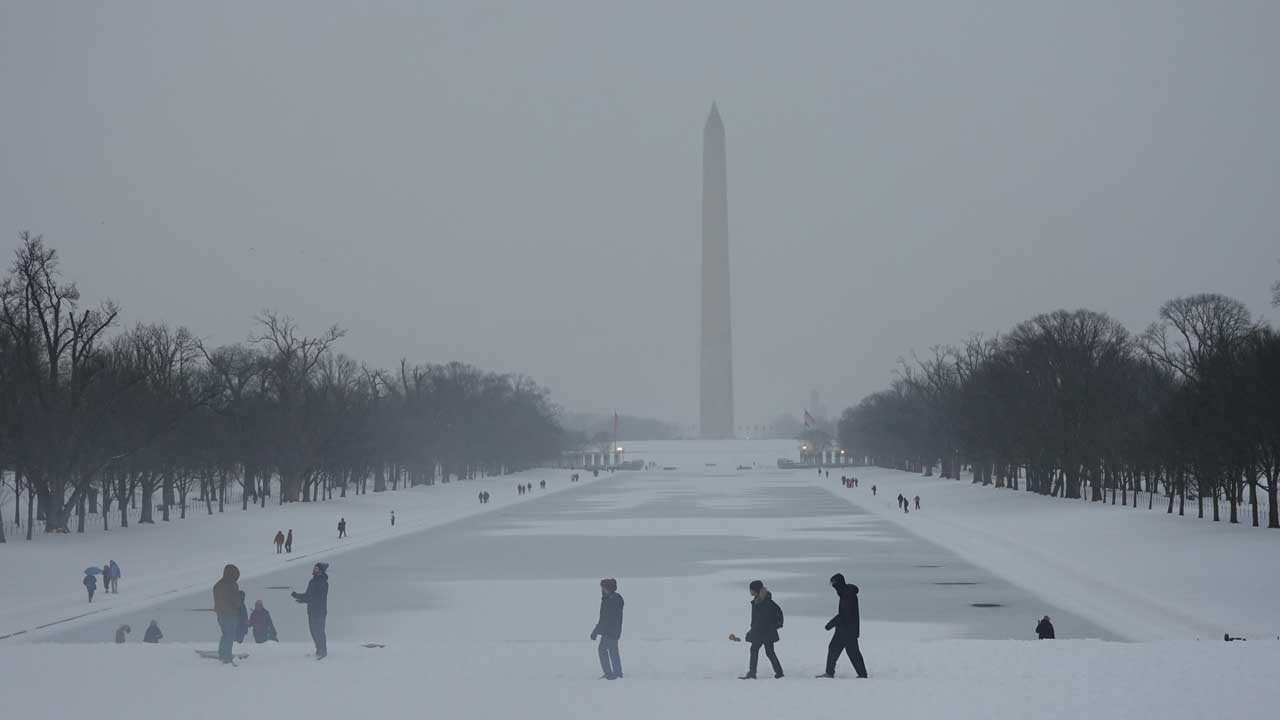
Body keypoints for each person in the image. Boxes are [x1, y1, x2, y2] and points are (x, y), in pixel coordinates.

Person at [817, 573, 868, 679]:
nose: (832, 586)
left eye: (833, 584)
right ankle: (829, 673)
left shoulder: (848, 595)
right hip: (843, 629)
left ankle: (862, 674)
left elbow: (844, 615)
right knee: (834, 648)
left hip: (848, 630)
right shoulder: (845, 593)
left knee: (853, 653)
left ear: (839, 583)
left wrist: (830, 624)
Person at [739, 580, 784, 680]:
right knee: (768, 652)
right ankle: (779, 673)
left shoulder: (763, 602)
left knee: (756, 650)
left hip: (763, 632)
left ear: (755, 590)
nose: (750, 591)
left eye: (751, 589)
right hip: (765, 631)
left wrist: (751, 632)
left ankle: (752, 673)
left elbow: (761, 620)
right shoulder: (760, 599)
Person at [292, 562, 330, 659]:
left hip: (320, 611)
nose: (314, 569)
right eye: (314, 568)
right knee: (313, 631)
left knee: (319, 631)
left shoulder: (323, 583)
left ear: (320, 570)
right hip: (311, 611)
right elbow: (308, 595)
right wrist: (298, 596)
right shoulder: (312, 582)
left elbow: (317, 597)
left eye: (316, 568)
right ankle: (318, 649)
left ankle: (323, 651)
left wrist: (304, 600)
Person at [591, 578, 624, 680]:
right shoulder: (610, 598)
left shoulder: (612, 600)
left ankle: (614, 674)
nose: (602, 590)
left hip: (610, 631)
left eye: (603, 588)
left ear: (608, 588)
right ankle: (613, 673)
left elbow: (605, 618)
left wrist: (596, 631)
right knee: (607, 650)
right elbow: (604, 618)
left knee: (608, 650)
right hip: (610, 630)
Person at [212, 564, 243, 664]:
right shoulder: (232, 585)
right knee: (230, 635)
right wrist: (241, 596)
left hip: (220, 614)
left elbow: (218, 600)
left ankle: (222, 653)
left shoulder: (218, 585)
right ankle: (227, 655)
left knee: (225, 634)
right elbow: (236, 602)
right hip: (230, 614)